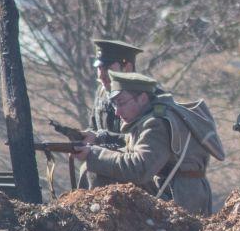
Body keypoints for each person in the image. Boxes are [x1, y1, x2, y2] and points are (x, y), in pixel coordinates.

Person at [71, 72, 216, 214]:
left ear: (142, 98)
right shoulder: (148, 117)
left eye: (121, 103)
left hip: (180, 198)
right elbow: (137, 144)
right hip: (172, 189)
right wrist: (99, 139)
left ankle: (97, 227)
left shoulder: (156, 124)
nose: (117, 112)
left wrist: (93, 154)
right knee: (96, 165)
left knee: (97, 170)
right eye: (115, 104)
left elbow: (139, 168)